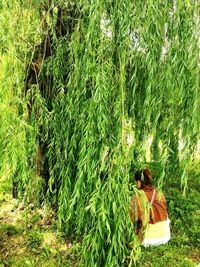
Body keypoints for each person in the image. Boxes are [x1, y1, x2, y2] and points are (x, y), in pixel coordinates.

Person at [129, 167, 170, 247]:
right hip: (164, 237)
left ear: (138, 182)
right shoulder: (160, 193)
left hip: (145, 240)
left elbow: (132, 218)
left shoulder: (137, 196)